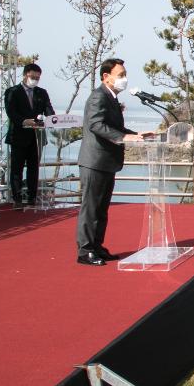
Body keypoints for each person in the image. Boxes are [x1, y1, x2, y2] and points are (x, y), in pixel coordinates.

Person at [76, 58, 151, 266]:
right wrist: (124, 138)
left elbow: (115, 127)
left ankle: (97, 246)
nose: (124, 79)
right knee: (91, 207)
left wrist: (136, 134)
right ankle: (85, 251)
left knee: (101, 208)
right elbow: (96, 125)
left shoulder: (112, 99)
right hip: (95, 161)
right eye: (120, 75)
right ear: (106, 77)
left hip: (107, 161)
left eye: (125, 75)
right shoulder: (98, 97)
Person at [3, 62, 55, 208]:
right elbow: (11, 112)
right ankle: (17, 199)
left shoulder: (42, 92)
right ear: (26, 74)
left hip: (37, 137)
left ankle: (32, 198)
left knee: (34, 168)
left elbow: (49, 110)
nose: (35, 80)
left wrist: (51, 119)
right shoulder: (12, 91)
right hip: (18, 136)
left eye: (38, 78)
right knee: (17, 169)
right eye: (33, 76)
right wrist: (25, 121)